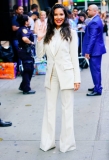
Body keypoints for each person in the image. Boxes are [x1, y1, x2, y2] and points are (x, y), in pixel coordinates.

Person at [36, 4, 81, 152]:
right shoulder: (48, 33)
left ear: (65, 16)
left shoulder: (72, 33)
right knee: (49, 110)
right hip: (51, 75)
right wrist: (40, 38)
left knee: (67, 110)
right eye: (56, 15)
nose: (58, 17)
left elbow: (74, 57)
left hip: (67, 74)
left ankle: (67, 144)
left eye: (61, 14)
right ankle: (47, 142)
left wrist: (77, 78)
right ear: (52, 16)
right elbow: (40, 54)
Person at [82, 5, 106, 96]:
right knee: (96, 69)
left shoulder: (94, 22)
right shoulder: (96, 19)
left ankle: (97, 89)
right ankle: (97, 86)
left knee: (95, 70)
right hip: (96, 49)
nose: (87, 11)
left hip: (94, 50)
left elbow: (92, 38)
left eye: (89, 10)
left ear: (95, 11)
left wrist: (88, 51)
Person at [17, 14, 36, 94]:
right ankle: (26, 89)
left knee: (28, 68)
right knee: (28, 69)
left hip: (24, 50)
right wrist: (31, 42)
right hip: (25, 50)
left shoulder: (21, 29)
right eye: (28, 19)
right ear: (25, 22)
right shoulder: (24, 29)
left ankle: (23, 86)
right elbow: (24, 38)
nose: (29, 21)